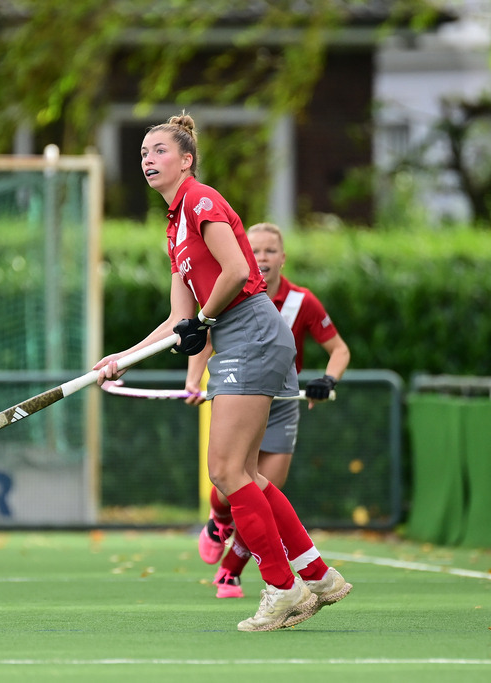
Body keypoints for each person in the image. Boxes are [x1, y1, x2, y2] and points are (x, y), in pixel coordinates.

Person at [93, 112, 351, 632]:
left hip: (250, 331)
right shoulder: (175, 230)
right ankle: (317, 575)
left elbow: (235, 272)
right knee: (247, 474)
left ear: (186, 160)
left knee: (226, 471)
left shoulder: (200, 200)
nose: (148, 159)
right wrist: (122, 357)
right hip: (247, 335)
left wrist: (205, 320)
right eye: (143, 152)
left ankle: (282, 588)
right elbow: (177, 320)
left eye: (160, 151)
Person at [186, 222, 351, 598]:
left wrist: (328, 380)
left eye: (270, 251)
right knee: (233, 482)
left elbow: (339, 350)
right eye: (255, 250)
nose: (262, 258)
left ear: (283, 257)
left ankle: (233, 571)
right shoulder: (235, 293)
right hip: (240, 390)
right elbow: (204, 335)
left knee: (262, 488)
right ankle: (221, 519)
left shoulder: (301, 301)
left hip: (281, 402)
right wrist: (193, 380)